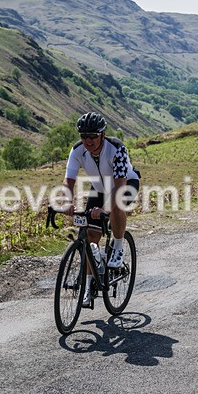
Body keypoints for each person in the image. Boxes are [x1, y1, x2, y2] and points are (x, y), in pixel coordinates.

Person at [63, 112, 140, 305]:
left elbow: (120, 187)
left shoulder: (117, 149)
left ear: (102, 135)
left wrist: (105, 209)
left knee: (116, 207)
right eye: (84, 136)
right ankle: (89, 287)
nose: (88, 140)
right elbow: (68, 181)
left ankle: (118, 247)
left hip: (125, 183)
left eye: (92, 136)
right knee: (90, 237)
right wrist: (66, 202)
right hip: (99, 188)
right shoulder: (77, 150)